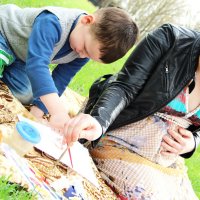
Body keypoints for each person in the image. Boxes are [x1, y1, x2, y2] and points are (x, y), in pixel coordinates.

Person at [63, 23, 200, 199]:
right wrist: (99, 120)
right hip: (119, 135)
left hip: (165, 161)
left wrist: (193, 143)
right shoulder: (171, 39)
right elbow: (125, 86)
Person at [0, 4, 138, 130]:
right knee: (39, 82)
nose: (83, 56)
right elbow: (37, 65)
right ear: (87, 21)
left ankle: (6, 65)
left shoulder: (83, 52)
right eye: (84, 48)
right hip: (4, 34)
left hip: (22, 58)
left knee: (26, 94)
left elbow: (61, 78)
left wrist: (37, 112)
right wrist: (58, 111)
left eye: (89, 56)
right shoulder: (52, 22)